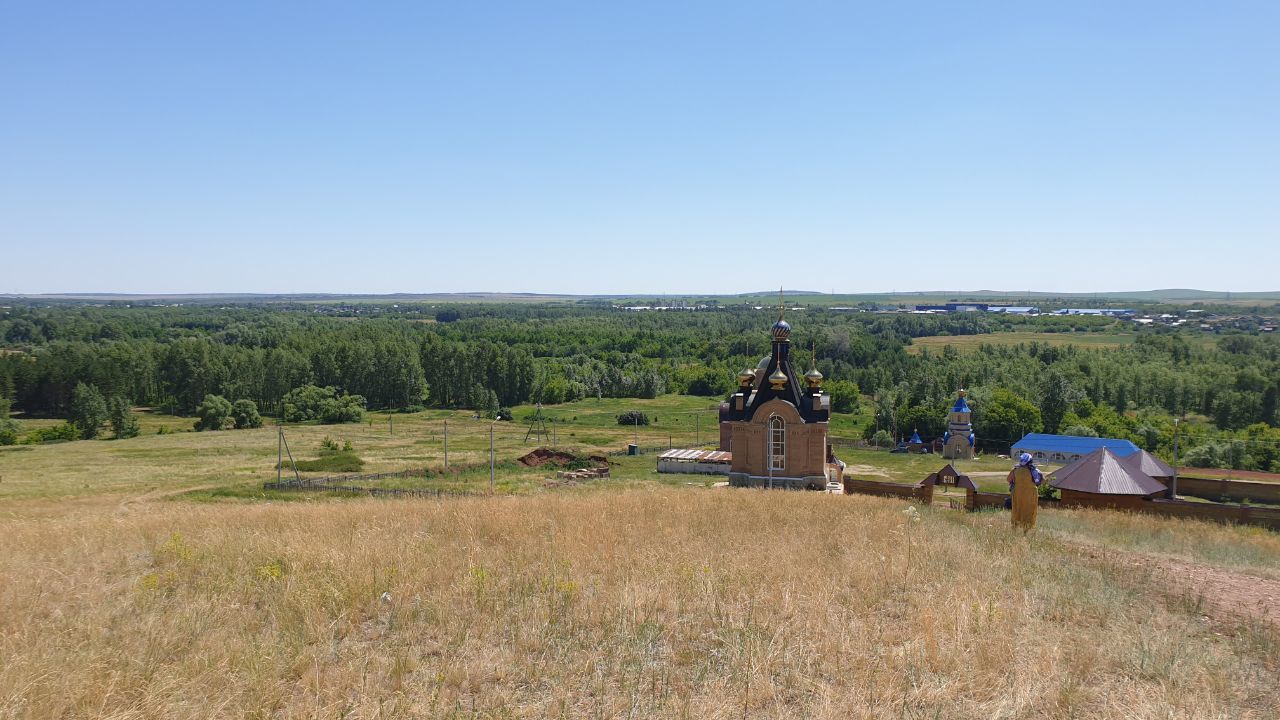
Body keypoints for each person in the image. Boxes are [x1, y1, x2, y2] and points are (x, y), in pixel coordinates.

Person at [1008, 452, 1043, 531]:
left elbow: (1008, 479)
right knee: (1029, 511)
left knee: (1017, 509)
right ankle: (1026, 531)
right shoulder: (1036, 471)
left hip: (1017, 493)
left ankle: (1014, 529)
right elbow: (1042, 481)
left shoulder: (1015, 470)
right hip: (1031, 494)